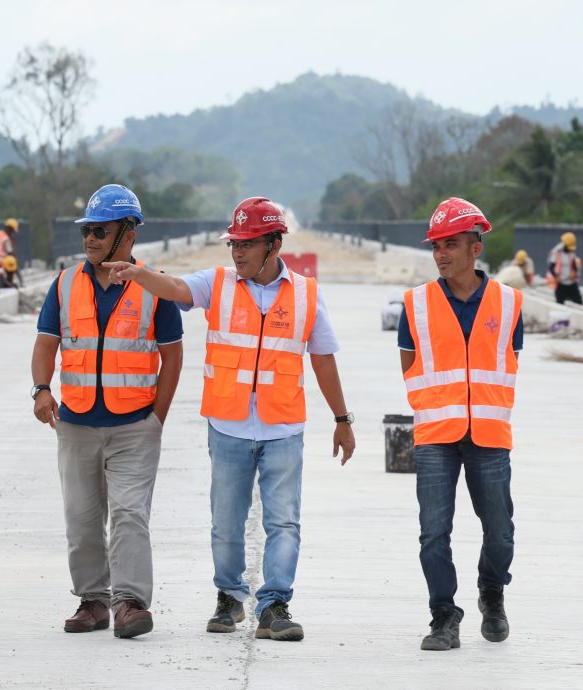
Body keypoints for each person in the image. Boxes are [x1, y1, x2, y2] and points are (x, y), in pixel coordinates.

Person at [103, 196, 355, 642]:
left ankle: (274, 605)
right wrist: (142, 275)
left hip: (282, 429)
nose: (237, 252)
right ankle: (229, 597)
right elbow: (178, 289)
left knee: (284, 522)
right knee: (226, 520)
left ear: (274, 245)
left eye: (248, 244)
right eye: (233, 244)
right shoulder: (217, 283)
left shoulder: (306, 295)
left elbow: (324, 360)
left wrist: (341, 417)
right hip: (228, 425)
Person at [30, 184, 183, 639]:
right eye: (86, 231)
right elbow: (45, 345)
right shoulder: (64, 284)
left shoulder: (155, 287)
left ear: (127, 235)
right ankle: (92, 602)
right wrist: (41, 390)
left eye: (101, 231)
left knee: (130, 514)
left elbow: (172, 357)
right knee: (81, 519)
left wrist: (157, 417)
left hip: (135, 426)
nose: (90, 239)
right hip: (75, 424)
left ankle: (130, 603)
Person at [397, 197, 522, 652]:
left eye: (451, 244)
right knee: (433, 533)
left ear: (476, 248)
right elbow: (410, 365)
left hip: (489, 433)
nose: (441, 253)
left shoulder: (509, 303)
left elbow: (508, 361)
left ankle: (492, 590)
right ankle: (444, 616)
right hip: (435, 434)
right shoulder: (416, 304)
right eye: (436, 246)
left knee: (501, 532)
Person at [546, 231, 583, 304]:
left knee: (579, 302)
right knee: (559, 303)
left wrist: (575, 275)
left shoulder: (572, 254)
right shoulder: (557, 254)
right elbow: (551, 267)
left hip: (571, 283)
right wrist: (555, 276)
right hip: (561, 283)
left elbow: (574, 266)